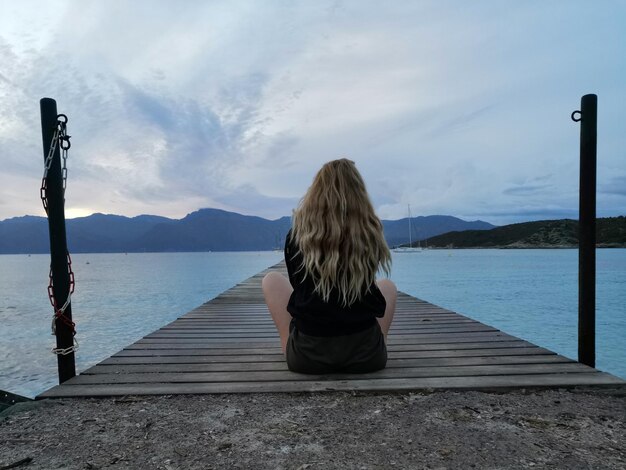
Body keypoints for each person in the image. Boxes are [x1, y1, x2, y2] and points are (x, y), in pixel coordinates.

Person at [262, 158, 397, 374]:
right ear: (359, 193)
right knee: (387, 286)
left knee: (271, 280)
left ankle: (288, 346)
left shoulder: (297, 236)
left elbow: (299, 290)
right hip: (368, 358)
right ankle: (379, 344)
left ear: (316, 193)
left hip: (307, 358)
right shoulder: (370, 234)